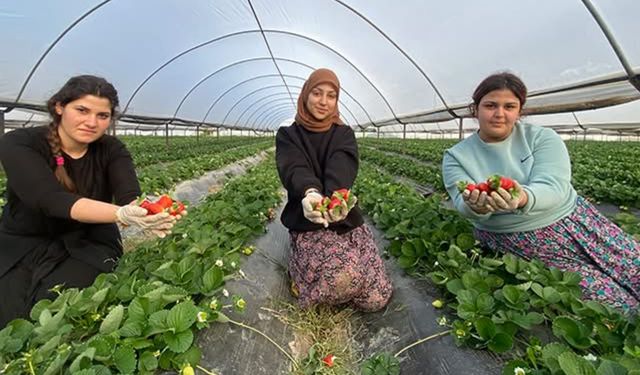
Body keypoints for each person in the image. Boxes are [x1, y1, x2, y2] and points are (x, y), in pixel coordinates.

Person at [442, 72, 640, 312]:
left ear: (520, 111)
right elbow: (461, 202)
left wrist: (522, 197)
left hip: (576, 221)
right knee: (613, 302)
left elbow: (554, 186)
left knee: (634, 266)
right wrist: (477, 206)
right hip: (517, 236)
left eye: (509, 106)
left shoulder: (542, 138)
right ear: (475, 109)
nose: (499, 114)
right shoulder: (456, 156)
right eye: (490, 105)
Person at [0, 75, 181, 327]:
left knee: (56, 310)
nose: (91, 122)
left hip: (89, 243)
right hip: (24, 240)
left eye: (102, 116)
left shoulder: (112, 149)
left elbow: (129, 195)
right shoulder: (20, 142)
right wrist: (119, 215)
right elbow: (49, 199)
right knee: (8, 313)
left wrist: (145, 212)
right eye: (82, 110)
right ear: (59, 107)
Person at [275, 68, 392, 312]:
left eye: (331, 95)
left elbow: (341, 168)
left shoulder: (344, 134)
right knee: (343, 278)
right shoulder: (289, 135)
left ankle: (338, 282)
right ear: (305, 95)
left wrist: (335, 202)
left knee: (375, 299)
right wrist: (311, 193)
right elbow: (294, 167)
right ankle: (301, 272)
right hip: (309, 222)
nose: (323, 102)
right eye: (317, 93)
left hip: (344, 221)